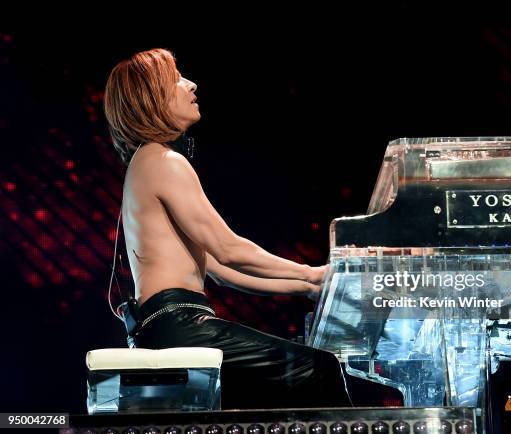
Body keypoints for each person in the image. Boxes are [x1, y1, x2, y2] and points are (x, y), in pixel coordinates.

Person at [103, 48, 352, 409]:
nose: (191, 84)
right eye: (176, 78)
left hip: (168, 325)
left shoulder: (148, 162)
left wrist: (308, 284)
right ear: (150, 97)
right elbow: (230, 250)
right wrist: (312, 272)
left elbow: (221, 272)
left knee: (295, 378)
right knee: (317, 369)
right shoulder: (162, 160)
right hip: (180, 325)